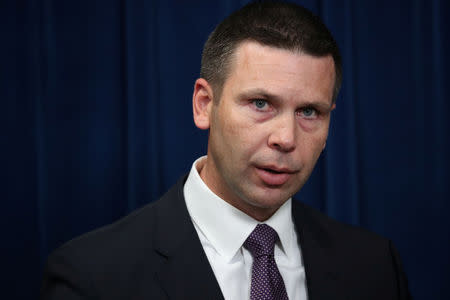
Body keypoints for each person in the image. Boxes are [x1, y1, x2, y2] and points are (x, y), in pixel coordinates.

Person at [41, 1, 412, 299]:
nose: (286, 137)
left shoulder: (375, 266)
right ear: (204, 104)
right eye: (261, 104)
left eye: (309, 111)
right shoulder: (92, 277)